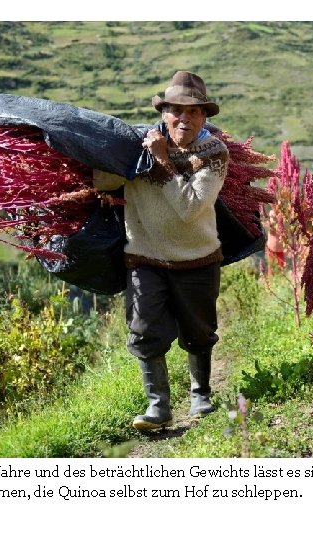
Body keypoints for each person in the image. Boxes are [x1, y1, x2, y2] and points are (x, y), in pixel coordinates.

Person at [93, 71, 229, 431]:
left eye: (194, 112)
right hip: (144, 257)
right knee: (145, 329)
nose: (185, 119)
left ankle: (200, 395)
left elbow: (190, 208)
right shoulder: (141, 145)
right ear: (164, 112)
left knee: (199, 330)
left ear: (204, 117)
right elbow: (102, 181)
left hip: (197, 258)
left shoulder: (213, 153)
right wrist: (116, 154)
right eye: (176, 111)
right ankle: (158, 406)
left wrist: (162, 160)